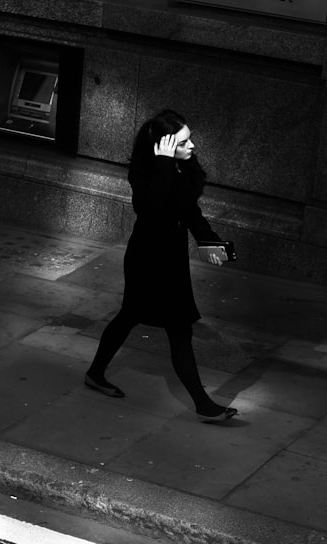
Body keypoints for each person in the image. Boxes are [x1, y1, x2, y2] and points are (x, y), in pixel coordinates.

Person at [85, 109, 238, 422]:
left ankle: (94, 373)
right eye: (183, 143)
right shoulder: (143, 174)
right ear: (162, 148)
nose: (192, 146)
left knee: (134, 317)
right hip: (148, 260)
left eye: (189, 139)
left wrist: (211, 242)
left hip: (172, 261)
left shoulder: (183, 169)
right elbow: (151, 209)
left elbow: (190, 213)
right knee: (169, 326)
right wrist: (165, 165)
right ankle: (203, 404)